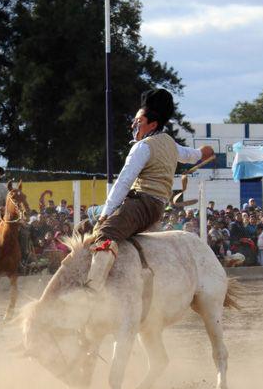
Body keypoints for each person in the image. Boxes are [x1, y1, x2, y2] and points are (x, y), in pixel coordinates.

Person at [88, 88, 213, 292]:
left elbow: (123, 182)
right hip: (155, 208)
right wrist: (203, 152)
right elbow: (191, 155)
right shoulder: (171, 144)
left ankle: (91, 292)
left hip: (141, 204)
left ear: (152, 124)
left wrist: (105, 214)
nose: (133, 125)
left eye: (138, 121)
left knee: (105, 232)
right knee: (86, 220)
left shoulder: (142, 147)